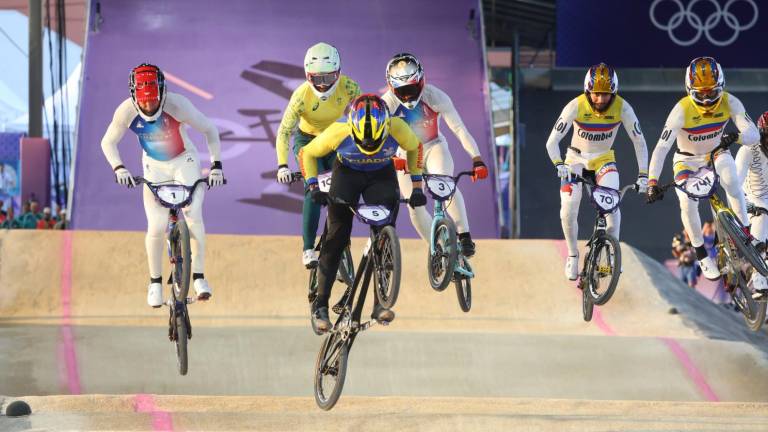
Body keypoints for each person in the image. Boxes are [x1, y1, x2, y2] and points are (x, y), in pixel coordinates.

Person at [100, 63, 224, 307]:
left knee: (193, 214)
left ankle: (199, 276)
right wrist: (119, 167)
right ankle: (155, 282)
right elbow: (107, 143)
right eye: (144, 102)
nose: (148, 106)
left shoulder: (178, 105)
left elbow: (210, 130)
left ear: (162, 93)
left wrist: (216, 164)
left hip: (183, 161)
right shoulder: (125, 111)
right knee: (156, 226)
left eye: (153, 100)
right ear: (134, 97)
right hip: (153, 167)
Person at [300, 94, 425, 333]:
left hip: (381, 175)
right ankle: (320, 306)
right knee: (336, 237)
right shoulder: (339, 131)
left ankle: (380, 304)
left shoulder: (397, 127)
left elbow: (415, 147)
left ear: (386, 127)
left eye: (374, 143)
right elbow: (307, 153)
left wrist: (417, 185)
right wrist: (313, 186)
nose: (368, 148)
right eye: (363, 143)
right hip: (347, 174)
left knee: (384, 238)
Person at [647, 57, 759, 281]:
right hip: (686, 161)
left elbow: (754, 134)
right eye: (701, 93)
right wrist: (652, 182)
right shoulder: (681, 110)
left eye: (712, 92)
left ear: (722, 87)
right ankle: (701, 254)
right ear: (690, 90)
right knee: (687, 203)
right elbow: (661, 148)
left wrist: (736, 136)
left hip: (716, 152)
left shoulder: (730, 102)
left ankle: (746, 233)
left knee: (732, 181)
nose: (707, 99)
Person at [545, 63, 648, 280]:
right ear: (587, 91)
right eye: (596, 94)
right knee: (568, 210)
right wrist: (559, 164)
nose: (601, 100)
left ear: (614, 93)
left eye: (606, 95)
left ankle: (612, 254)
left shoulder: (623, 108)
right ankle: (572, 254)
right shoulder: (575, 106)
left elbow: (639, 142)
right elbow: (552, 142)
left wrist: (644, 175)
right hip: (575, 160)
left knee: (612, 206)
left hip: (603, 160)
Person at [381, 53, 488, 256]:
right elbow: (378, 139)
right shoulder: (386, 104)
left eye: (412, 89)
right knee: (415, 207)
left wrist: (477, 159)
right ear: (391, 87)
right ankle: (436, 249)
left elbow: (459, 130)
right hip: (404, 155)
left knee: (445, 183)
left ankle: (464, 236)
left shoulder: (435, 97)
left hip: (433, 147)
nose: (407, 96)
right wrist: (391, 157)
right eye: (402, 91)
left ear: (422, 81)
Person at [275, 42, 360, 268]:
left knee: (342, 187)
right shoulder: (301, 96)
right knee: (312, 190)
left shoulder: (351, 88)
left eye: (328, 78)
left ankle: (341, 241)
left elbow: (361, 119)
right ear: (307, 75)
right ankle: (308, 249)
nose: (322, 86)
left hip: (334, 138)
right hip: (307, 141)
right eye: (317, 79)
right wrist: (282, 165)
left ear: (339, 73)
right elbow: (284, 132)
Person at [736, 111, 768, 298]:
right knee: (763, 212)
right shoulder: (748, 150)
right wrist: (743, 205)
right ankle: (757, 276)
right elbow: (734, 183)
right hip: (749, 200)